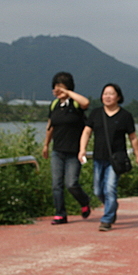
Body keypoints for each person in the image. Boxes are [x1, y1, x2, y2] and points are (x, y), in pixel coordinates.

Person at [78, 83, 138, 232]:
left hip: (116, 159)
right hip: (98, 157)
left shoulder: (125, 116)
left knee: (109, 189)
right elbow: (87, 132)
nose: (107, 96)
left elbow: (133, 138)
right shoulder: (96, 113)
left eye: (111, 94)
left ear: (118, 97)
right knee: (97, 191)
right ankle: (111, 206)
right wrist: (82, 150)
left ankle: (106, 219)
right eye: (105, 93)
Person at [42, 72, 91, 225]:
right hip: (58, 151)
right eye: (55, 87)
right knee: (56, 184)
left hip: (74, 152)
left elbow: (86, 103)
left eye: (60, 87)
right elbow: (50, 127)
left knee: (71, 183)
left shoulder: (75, 104)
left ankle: (84, 201)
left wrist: (68, 93)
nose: (57, 91)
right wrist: (46, 144)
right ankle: (60, 214)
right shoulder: (55, 106)